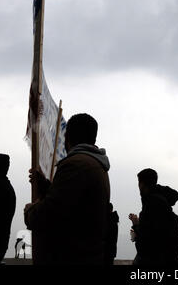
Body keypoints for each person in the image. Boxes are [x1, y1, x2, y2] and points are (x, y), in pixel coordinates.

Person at [24, 113, 111, 265]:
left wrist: (30, 211)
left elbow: (50, 214)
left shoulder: (75, 165)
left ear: (67, 136)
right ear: (93, 138)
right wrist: (45, 186)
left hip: (69, 257)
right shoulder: (95, 164)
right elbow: (74, 204)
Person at [128, 168, 178, 266]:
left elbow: (147, 242)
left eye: (139, 183)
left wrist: (136, 225)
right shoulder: (161, 201)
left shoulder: (151, 204)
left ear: (142, 184)